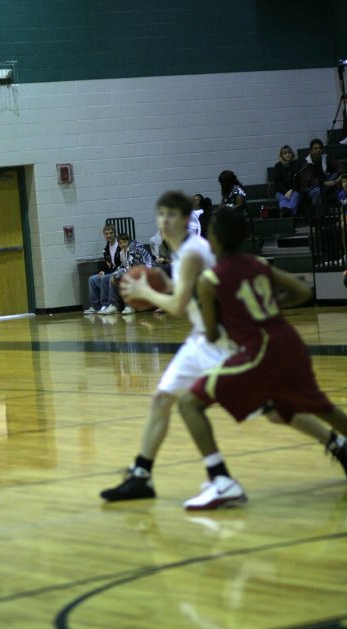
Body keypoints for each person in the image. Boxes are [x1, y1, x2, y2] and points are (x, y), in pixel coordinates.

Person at [178, 207, 347, 511]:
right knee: (317, 406)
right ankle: (339, 446)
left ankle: (221, 481)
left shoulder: (210, 279)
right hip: (287, 340)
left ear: (214, 238)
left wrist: (206, 309)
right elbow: (300, 290)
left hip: (261, 350)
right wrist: (270, 309)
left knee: (189, 403)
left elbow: (213, 335)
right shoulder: (257, 263)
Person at [100, 190, 239, 501]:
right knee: (162, 399)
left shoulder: (193, 251)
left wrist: (144, 291)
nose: (164, 220)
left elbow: (176, 306)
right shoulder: (183, 251)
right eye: (160, 214)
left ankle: (337, 444)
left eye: (171, 214)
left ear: (187, 219)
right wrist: (161, 284)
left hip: (223, 339)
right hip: (201, 338)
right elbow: (184, 292)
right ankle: (142, 475)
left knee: (274, 407)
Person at [104, 233, 154, 315]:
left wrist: (118, 275)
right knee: (113, 278)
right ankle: (114, 306)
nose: (123, 244)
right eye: (120, 243)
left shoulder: (134, 249)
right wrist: (115, 275)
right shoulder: (122, 253)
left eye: (124, 242)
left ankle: (131, 306)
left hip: (148, 271)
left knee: (126, 278)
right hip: (137, 271)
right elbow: (124, 267)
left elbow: (131, 268)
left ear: (128, 241)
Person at [84, 224, 121, 315]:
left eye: (111, 233)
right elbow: (107, 264)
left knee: (105, 278)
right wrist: (103, 271)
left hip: (119, 272)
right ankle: (96, 306)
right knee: (92, 279)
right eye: (106, 233)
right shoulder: (106, 248)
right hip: (111, 272)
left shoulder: (119, 246)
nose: (108, 235)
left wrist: (108, 273)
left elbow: (121, 263)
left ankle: (106, 305)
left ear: (115, 234)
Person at [298, 138, 343, 208]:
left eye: (320, 148)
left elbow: (338, 165)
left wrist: (340, 176)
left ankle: (342, 209)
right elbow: (311, 181)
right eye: (315, 148)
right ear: (311, 150)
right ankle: (319, 216)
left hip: (324, 184)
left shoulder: (325, 158)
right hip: (311, 187)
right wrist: (325, 183)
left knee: (338, 178)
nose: (318, 150)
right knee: (317, 192)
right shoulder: (306, 163)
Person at [273, 145, 301, 217]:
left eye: (289, 152)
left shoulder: (297, 164)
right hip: (282, 191)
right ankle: (288, 215)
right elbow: (277, 182)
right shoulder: (278, 166)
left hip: (295, 190)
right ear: (281, 156)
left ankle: (286, 215)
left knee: (294, 197)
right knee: (282, 199)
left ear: (292, 154)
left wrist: (291, 190)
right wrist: (286, 192)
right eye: (285, 153)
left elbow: (299, 180)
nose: (287, 154)